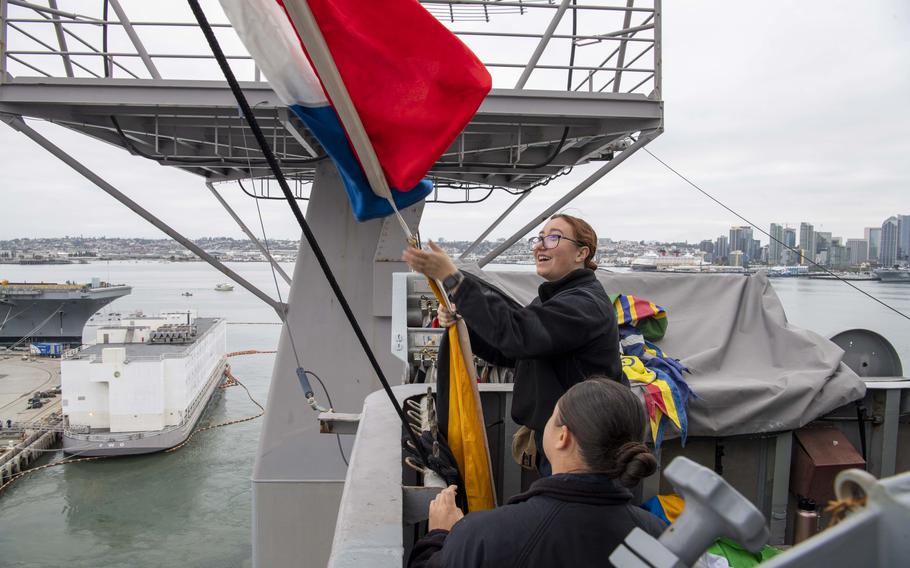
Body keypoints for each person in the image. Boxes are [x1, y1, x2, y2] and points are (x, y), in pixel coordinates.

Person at [403, 214, 623, 474]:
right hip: (561, 437)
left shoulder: (584, 305)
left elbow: (518, 334)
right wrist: (465, 323)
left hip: (581, 447)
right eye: (539, 238)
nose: (540, 245)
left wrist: (455, 281)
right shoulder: (555, 299)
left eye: (553, 237)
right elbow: (511, 351)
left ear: (581, 253)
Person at [408, 378, 665, 568]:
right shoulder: (660, 537)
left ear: (562, 437)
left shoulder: (485, 535)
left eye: (552, 418)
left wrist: (438, 535)